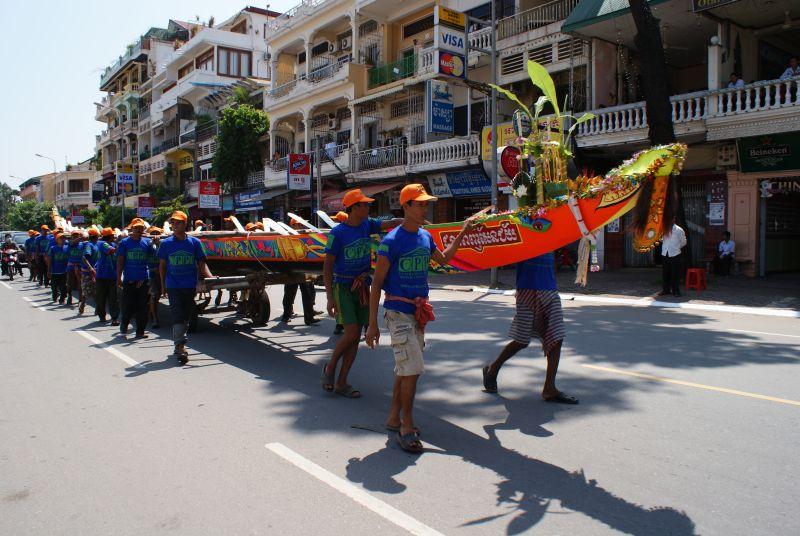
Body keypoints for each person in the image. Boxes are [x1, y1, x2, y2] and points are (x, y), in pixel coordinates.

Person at [365, 184, 475, 453]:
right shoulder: (391, 242)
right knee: (412, 368)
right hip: (397, 311)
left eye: (427, 204)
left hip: (418, 313)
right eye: (420, 204)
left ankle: (393, 417)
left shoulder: (426, 237)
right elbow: (377, 284)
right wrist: (372, 324)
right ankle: (407, 425)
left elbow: (445, 259)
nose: (425, 208)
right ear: (406, 206)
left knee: (406, 367)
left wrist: (463, 232)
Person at [321, 189, 402, 397]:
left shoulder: (367, 224)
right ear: (354, 208)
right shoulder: (337, 233)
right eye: (364, 205)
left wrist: (409, 220)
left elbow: (389, 223)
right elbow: (327, 266)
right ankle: (330, 367)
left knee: (355, 336)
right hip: (344, 287)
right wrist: (330, 296)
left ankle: (341, 382)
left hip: (362, 287)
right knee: (351, 333)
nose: (368, 207)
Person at [482, 253, 579, 404]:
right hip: (527, 288)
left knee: (556, 336)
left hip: (549, 288)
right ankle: (493, 369)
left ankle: (550, 388)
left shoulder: (552, 232)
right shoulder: (522, 229)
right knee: (521, 340)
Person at [158, 211, 212, 365]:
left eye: (179, 223)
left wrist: (209, 277)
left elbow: (202, 263)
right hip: (173, 285)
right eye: (173, 223)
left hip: (189, 285)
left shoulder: (194, 243)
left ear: (185, 224)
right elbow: (162, 266)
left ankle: (178, 342)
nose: (175, 225)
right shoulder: (166, 244)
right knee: (177, 314)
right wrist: (163, 285)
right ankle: (181, 346)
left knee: (186, 315)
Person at [116, 218, 152, 339]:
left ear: (143, 229)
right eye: (136, 228)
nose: (138, 230)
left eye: (141, 228)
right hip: (129, 280)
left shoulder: (147, 242)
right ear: (132, 229)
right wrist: (118, 277)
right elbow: (120, 260)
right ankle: (124, 329)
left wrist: (157, 244)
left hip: (143, 280)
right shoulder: (124, 243)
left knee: (143, 307)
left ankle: (140, 331)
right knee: (128, 305)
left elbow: (154, 257)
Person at [94, 228, 119, 325]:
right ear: (109, 236)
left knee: (113, 298)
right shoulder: (101, 243)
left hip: (112, 275)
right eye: (113, 235)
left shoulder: (113, 244)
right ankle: (102, 315)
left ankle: (114, 318)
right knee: (101, 297)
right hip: (102, 275)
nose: (114, 237)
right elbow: (110, 250)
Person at [659, 223, 687, 297]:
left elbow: (684, 242)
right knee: (665, 273)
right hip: (665, 253)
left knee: (675, 273)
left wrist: (677, 247)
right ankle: (666, 290)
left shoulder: (679, 230)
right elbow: (661, 239)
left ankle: (676, 291)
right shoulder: (663, 229)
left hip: (675, 254)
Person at [79, 228, 100, 315]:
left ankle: (98, 308)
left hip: (97, 271)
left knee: (97, 290)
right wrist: (90, 268)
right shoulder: (89, 245)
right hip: (87, 272)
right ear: (95, 236)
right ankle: (83, 303)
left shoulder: (97, 244)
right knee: (87, 290)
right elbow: (84, 258)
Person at [147, 227, 163, 329]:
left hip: (163, 274)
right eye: (153, 234)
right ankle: (154, 318)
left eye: (157, 233)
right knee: (154, 296)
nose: (155, 236)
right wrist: (152, 270)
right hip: (152, 275)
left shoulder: (163, 245)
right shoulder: (147, 246)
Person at [46, 233, 69, 303]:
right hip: (54, 271)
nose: (62, 240)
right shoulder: (53, 248)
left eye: (63, 238)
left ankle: (62, 299)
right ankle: (54, 297)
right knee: (54, 286)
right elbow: (49, 260)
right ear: (57, 240)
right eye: (61, 238)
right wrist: (49, 270)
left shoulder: (67, 248)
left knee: (63, 286)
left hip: (64, 271)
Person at [65, 230, 84, 307]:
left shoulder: (82, 244)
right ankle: (69, 296)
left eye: (77, 235)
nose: (75, 237)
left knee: (80, 283)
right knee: (70, 283)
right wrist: (79, 238)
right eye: (74, 235)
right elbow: (72, 242)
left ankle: (80, 299)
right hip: (71, 265)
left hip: (79, 265)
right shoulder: (69, 243)